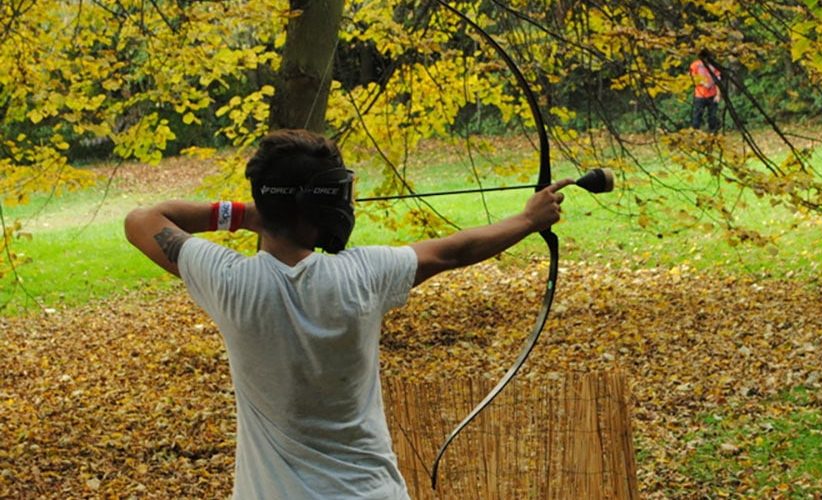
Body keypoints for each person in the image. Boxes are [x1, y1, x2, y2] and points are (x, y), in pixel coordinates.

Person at [124, 129, 572, 499]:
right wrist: (529, 220)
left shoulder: (229, 282)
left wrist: (248, 214)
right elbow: (454, 252)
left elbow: (143, 219)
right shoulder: (364, 275)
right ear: (323, 205)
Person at [690, 49, 722, 133]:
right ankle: (696, 132)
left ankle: (713, 132)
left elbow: (718, 80)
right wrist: (703, 83)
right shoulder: (695, 65)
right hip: (700, 95)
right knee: (697, 115)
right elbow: (693, 78)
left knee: (712, 116)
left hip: (712, 94)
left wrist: (718, 94)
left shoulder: (713, 66)